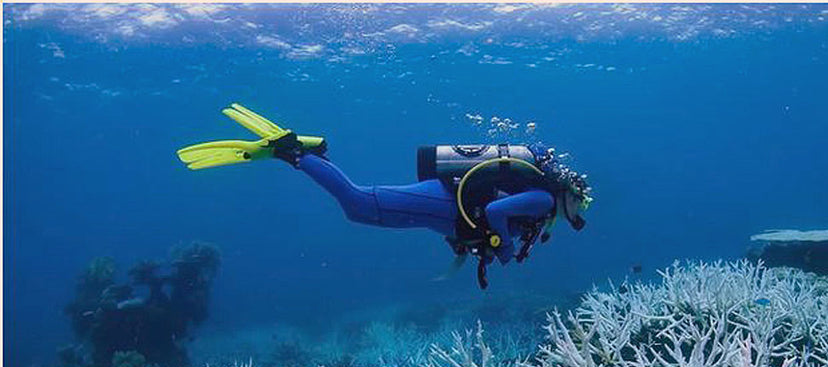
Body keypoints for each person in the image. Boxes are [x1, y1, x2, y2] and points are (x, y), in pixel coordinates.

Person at [178, 104, 592, 288]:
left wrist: (485, 243)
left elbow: (489, 216)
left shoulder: (542, 205)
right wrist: (501, 250)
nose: (579, 212)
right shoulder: (542, 201)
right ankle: (294, 152)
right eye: (582, 204)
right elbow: (498, 210)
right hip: (442, 203)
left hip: (443, 209)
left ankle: (310, 155)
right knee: (359, 204)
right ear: (569, 192)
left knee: (361, 207)